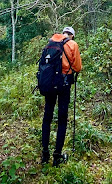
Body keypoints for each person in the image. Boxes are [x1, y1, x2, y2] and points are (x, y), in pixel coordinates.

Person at [41, 26, 82, 166]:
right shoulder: (72, 44)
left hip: (49, 84)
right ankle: (57, 156)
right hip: (64, 85)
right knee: (62, 120)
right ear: (72, 36)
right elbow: (77, 68)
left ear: (63, 34)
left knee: (47, 117)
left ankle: (44, 154)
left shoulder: (50, 43)